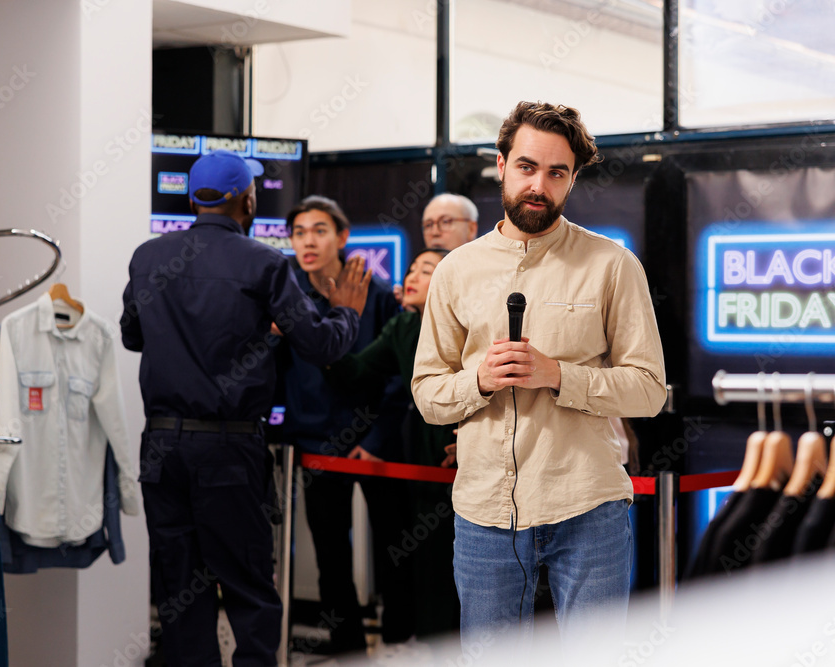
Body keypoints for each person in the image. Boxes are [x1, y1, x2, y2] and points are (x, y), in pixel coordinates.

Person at [411, 101, 666, 657]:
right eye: (527, 167)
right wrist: (477, 380)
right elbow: (428, 395)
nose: (539, 185)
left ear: (573, 178)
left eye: (557, 173)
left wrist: (559, 376)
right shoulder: (455, 270)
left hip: (588, 505)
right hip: (483, 512)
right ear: (501, 165)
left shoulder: (612, 265)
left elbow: (648, 390)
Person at [120, 151, 371, 666]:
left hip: (160, 449)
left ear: (193, 199)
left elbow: (131, 336)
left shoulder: (148, 258)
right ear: (248, 200)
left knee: (178, 590)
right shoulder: (264, 263)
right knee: (249, 588)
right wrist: (346, 312)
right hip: (228, 450)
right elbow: (321, 347)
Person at [277, 195, 414, 653]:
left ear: (342, 236)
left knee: (395, 546)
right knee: (330, 555)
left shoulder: (376, 294)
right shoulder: (284, 295)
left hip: (376, 443)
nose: (308, 241)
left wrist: (376, 439)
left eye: (319, 230)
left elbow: (399, 372)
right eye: (299, 232)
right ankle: (348, 648)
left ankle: (399, 641)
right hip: (314, 442)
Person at [325, 247, 460, 638]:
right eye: (412, 268)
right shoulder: (402, 327)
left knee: (465, 565)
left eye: (427, 269)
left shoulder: (471, 320)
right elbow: (356, 372)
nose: (412, 276)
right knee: (428, 562)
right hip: (422, 455)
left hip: (467, 450)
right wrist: (322, 333)